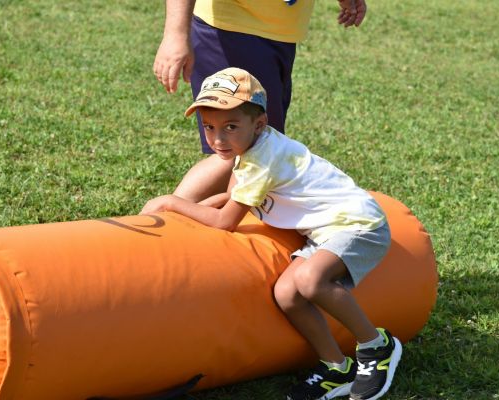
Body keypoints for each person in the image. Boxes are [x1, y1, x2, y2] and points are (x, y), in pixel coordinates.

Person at [140, 67, 402, 400]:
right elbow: (231, 198)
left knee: (309, 281)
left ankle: (376, 346)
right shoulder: (249, 150)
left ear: (259, 124)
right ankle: (337, 366)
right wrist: (186, 215)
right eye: (209, 127)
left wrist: (173, 202)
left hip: (358, 224)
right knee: (287, 294)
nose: (218, 139)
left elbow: (225, 222)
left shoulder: (262, 160)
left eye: (230, 127)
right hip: (323, 231)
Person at [153, 0, 368, 203]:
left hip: (279, 34)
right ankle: (167, 220)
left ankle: (198, 225)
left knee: (254, 148)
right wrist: (176, 34)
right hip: (231, 29)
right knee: (246, 147)